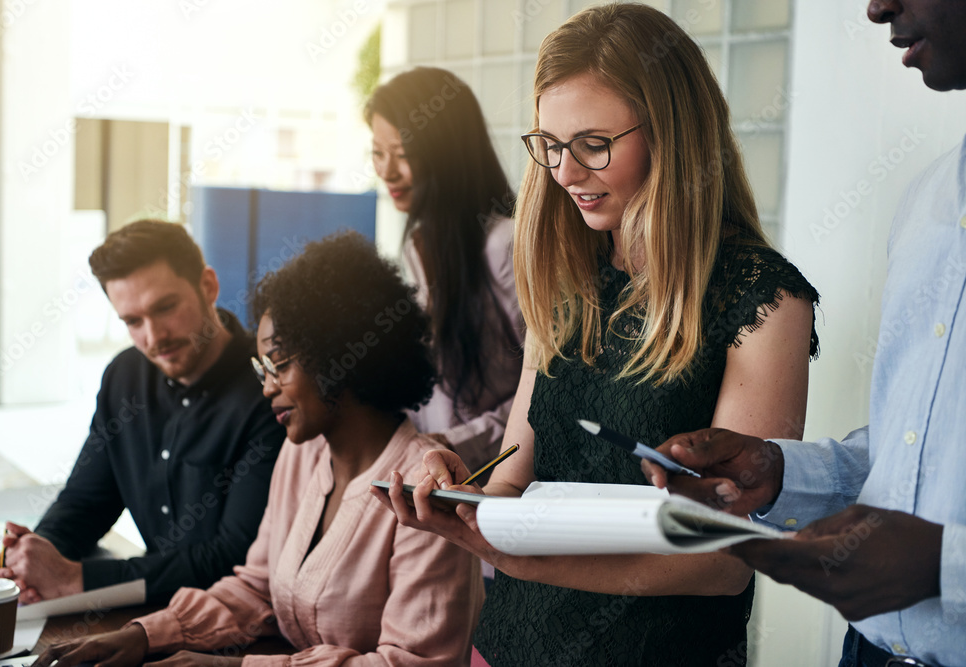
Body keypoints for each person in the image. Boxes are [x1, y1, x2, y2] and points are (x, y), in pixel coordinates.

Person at [373, 4, 820, 665]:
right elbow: (513, 478)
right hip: (505, 648)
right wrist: (462, 493)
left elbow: (724, 558)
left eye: (592, 144)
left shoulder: (762, 296)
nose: (564, 173)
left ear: (674, 134)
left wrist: (512, 554)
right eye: (550, 146)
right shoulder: (565, 272)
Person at [643, 1, 966, 665]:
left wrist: (945, 563)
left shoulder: (761, 289)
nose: (876, 7)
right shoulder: (926, 205)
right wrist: (780, 470)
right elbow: (914, 458)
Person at [33, 231, 484, 667]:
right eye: (262, 366)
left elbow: (414, 664)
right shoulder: (303, 455)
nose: (267, 387)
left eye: (280, 365)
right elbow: (257, 586)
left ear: (341, 357)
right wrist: (143, 635)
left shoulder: (428, 494)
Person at [0, 220, 285, 604]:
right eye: (132, 321)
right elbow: (86, 502)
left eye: (165, 308)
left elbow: (234, 557)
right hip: (148, 608)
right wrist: (36, 554)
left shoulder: (269, 391)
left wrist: (77, 579)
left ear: (208, 286)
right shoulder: (125, 376)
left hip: (233, 628)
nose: (153, 337)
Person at [365, 67, 525, 474]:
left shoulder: (505, 246)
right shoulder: (420, 248)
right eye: (377, 153)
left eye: (402, 154)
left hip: (490, 479)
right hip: (433, 472)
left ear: (445, 151)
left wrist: (454, 443)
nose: (386, 172)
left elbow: (546, 390)